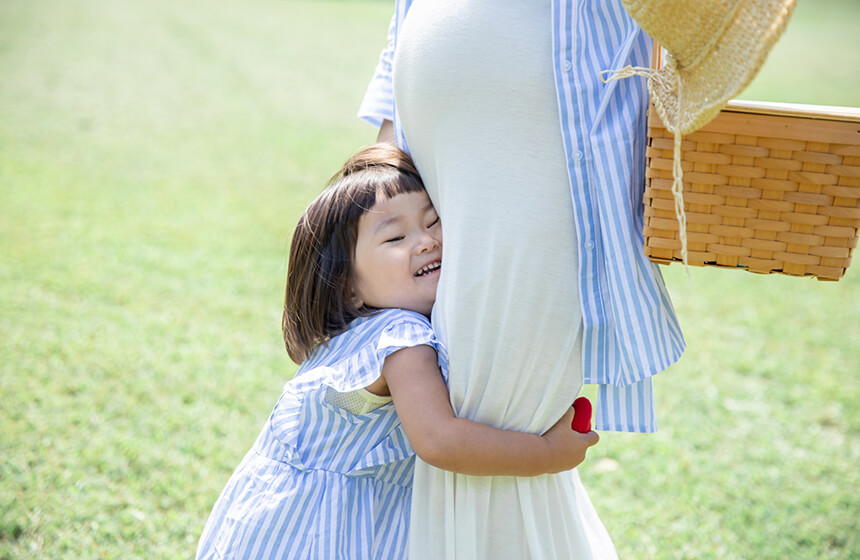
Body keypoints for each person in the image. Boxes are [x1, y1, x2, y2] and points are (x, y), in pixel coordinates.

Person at [359, 1, 686, 558]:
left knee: (494, 405)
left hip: (541, 137)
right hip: (434, 163)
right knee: (462, 408)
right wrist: (383, 169)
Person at [195, 144, 599, 560]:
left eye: (433, 221)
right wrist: (547, 454)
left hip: (267, 519)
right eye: (395, 237)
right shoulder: (401, 338)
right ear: (347, 286)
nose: (425, 242)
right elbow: (440, 440)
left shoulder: (349, 338)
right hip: (318, 533)